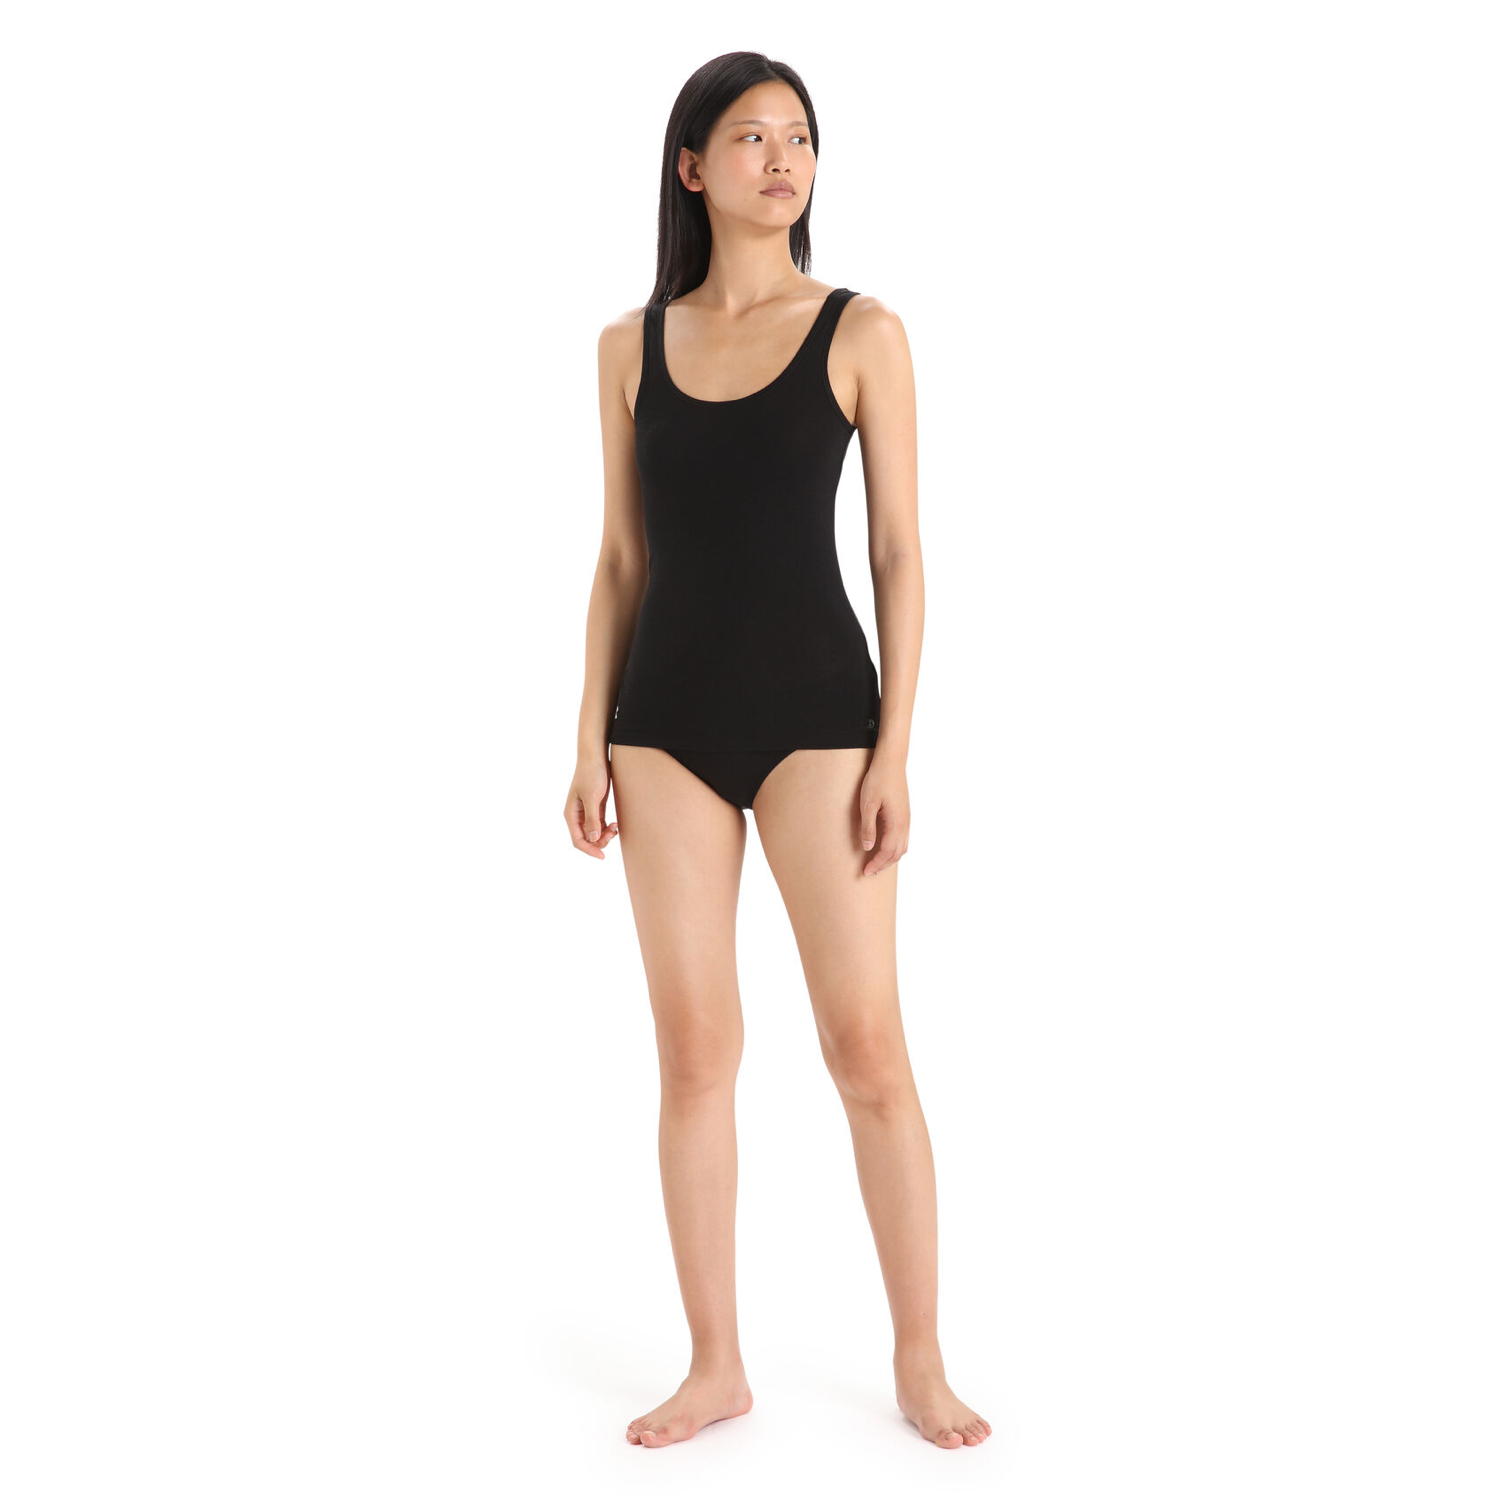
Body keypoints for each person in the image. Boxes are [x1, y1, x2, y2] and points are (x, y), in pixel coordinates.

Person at [564, 51, 990, 1451]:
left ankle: (920, 1358)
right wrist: (587, 739)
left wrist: (896, 749)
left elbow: (901, 554)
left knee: (867, 1046)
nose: (781, 159)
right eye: (750, 138)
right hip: (663, 727)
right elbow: (621, 560)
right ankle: (716, 1364)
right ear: (692, 167)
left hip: (821, 720)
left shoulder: (863, 331)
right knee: (696, 1051)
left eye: (798, 136)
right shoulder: (629, 347)